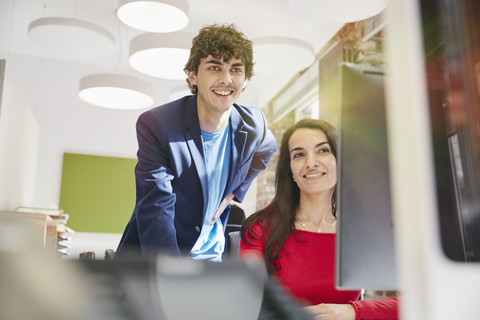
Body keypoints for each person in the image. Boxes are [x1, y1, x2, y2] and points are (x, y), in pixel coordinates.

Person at [116, 23, 277, 262]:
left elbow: (267, 149)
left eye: (236, 69)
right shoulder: (158, 125)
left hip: (211, 260)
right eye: (215, 67)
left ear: (245, 79)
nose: (226, 79)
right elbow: (156, 206)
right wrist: (172, 274)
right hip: (156, 261)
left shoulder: (254, 123)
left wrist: (234, 192)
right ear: (192, 75)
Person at [239, 119, 398, 319]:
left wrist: (352, 311)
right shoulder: (259, 228)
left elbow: (413, 301)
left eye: (323, 150)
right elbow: (247, 305)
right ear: (291, 172)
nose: (311, 162)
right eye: (299, 154)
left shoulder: (364, 230)